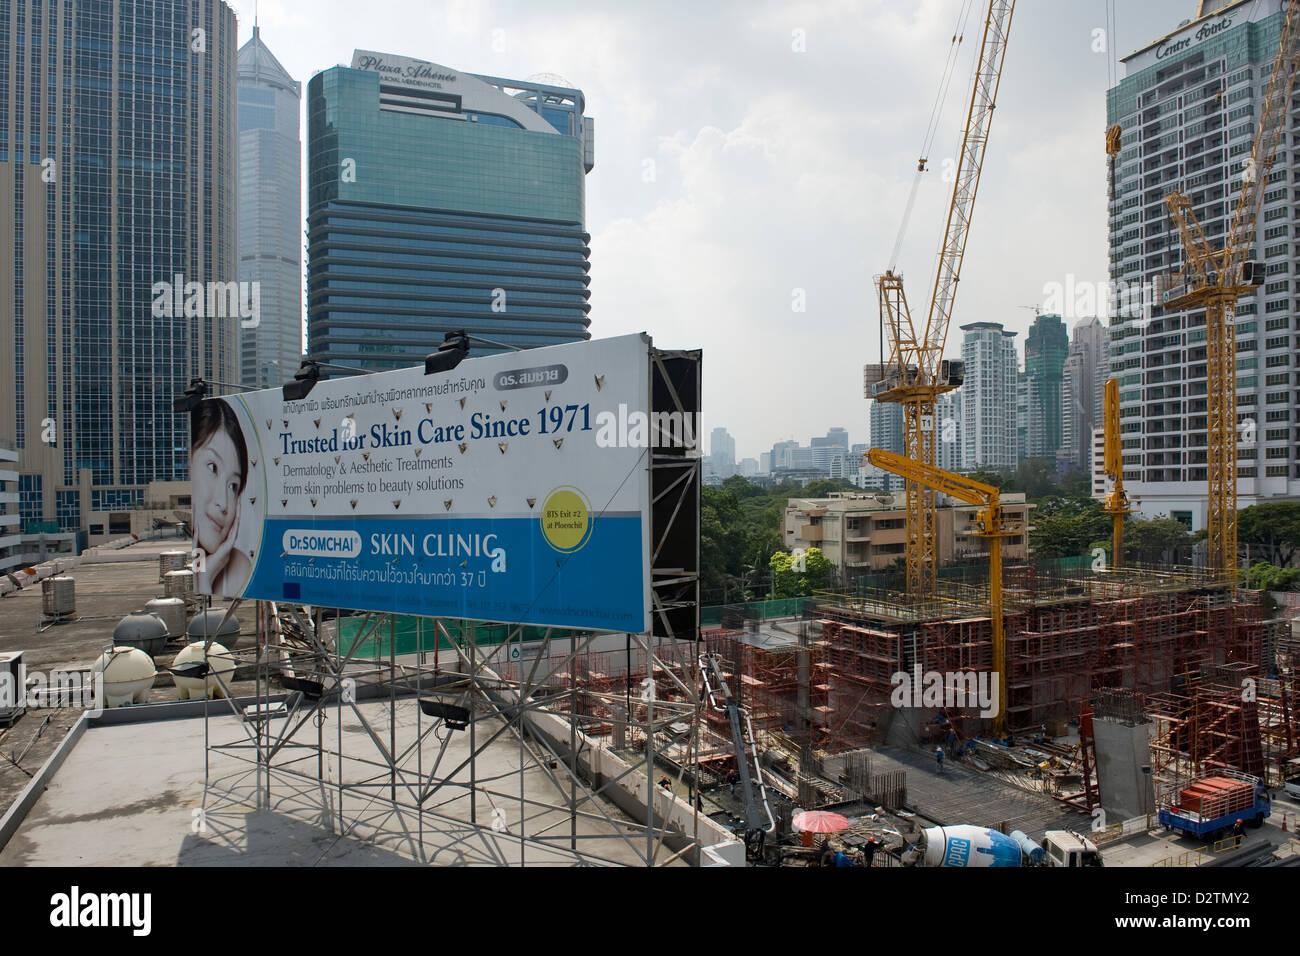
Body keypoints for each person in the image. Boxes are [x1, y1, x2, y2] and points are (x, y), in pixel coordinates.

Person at [191, 399, 252, 595]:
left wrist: (204, 580)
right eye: (213, 468)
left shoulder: (239, 568)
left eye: (233, 486)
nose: (224, 503)